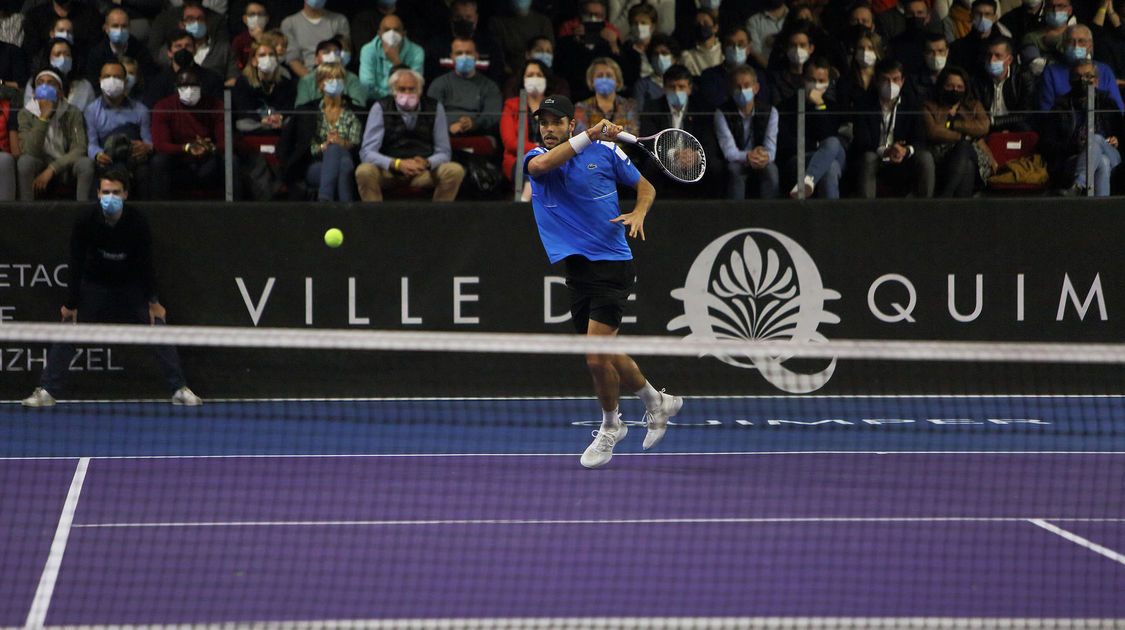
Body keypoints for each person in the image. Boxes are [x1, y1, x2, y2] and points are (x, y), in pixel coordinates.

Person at [522, 94, 682, 469]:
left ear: (570, 125)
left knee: (595, 358)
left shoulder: (608, 153)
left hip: (612, 265)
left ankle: (611, 427)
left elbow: (647, 186)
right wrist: (593, 134)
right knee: (604, 353)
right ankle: (656, 401)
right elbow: (545, 164)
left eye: (556, 122)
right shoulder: (534, 158)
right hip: (576, 271)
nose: (548, 128)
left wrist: (639, 213)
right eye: (543, 122)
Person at [21, 169, 202, 409]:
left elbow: (146, 263)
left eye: (116, 192)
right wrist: (71, 303)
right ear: (98, 193)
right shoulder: (86, 220)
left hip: (132, 287)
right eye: (106, 192)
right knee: (69, 330)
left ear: (125, 194)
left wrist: (153, 301)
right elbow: (75, 263)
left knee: (158, 329)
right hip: (95, 285)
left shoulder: (137, 221)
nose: (110, 196)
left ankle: (179, 389)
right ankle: (46, 391)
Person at [355, 66, 465, 201]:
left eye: (412, 89)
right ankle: (375, 219)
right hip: (389, 172)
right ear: (393, 91)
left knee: (454, 170)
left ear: (420, 90)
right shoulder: (380, 107)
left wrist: (427, 163)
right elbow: (367, 152)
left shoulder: (435, 107)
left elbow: (444, 151)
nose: (407, 93)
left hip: (423, 172)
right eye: (402, 89)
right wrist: (396, 163)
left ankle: (438, 218)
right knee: (364, 171)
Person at [277, 61, 361, 201]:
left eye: (338, 78)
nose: (334, 81)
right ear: (320, 84)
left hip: (349, 164)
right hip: (314, 165)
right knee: (339, 158)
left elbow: (357, 142)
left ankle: (324, 201)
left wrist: (342, 143)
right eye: (329, 78)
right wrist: (323, 147)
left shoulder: (354, 112)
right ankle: (347, 214)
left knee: (342, 159)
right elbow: (293, 145)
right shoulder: (307, 112)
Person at [853, 58, 936, 197]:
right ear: (877, 81)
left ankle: (926, 209)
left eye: (895, 79)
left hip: (903, 158)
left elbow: (920, 138)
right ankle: (866, 211)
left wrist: (905, 150)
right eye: (885, 79)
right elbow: (862, 141)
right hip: (877, 155)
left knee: (925, 158)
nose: (891, 84)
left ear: (902, 81)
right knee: (868, 158)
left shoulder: (912, 104)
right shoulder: (864, 104)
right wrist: (886, 151)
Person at [1040, 58, 1123, 195]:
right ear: (1070, 81)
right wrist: (1076, 146)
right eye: (1077, 76)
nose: (1082, 80)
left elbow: (1121, 135)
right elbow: (1048, 144)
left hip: (1110, 152)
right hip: (1074, 157)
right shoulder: (1061, 107)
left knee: (1095, 139)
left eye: (1088, 76)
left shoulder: (1109, 104)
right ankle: (1100, 212)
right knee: (1102, 162)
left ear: (1096, 81)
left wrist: (1116, 141)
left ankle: (1078, 185)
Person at [776, 56, 848, 199]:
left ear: (828, 83)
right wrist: (817, 149)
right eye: (811, 80)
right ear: (803, 79)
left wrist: (819, 106)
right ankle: (830, 218)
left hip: (832, 154)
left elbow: (830, 136)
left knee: (833, 143)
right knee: (830, 167)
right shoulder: (786, 106)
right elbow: (786, 144)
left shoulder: (833, 107)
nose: (816, 85)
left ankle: (807, 180)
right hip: (799, 159)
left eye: (821, 81)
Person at [17, 68, 94, 200]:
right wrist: (43, 118)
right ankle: (27, 212)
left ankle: (83, 211)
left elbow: (79, 148)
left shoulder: (72, 112)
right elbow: (29, 150)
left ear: (60, 92)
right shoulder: (25, 114)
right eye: (40, 83)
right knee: (25, 161)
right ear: (35, 92)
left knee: (86, 164)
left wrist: (52, 169)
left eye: (51, 83)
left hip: (65, 164)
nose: (45, 86)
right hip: (39, 163)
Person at [150, 67, 225, 198]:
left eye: (194, 85)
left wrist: (210, 147)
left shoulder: (216, 105)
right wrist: (187, 147)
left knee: (230, 160)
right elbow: (160, 145)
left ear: (201, 86)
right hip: (177, 157)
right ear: (176, 87)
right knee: (159, 161)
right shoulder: (164, 106)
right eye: (184, 86)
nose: (189, 90)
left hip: (208, 155)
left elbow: (226, 141)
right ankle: (160, 210)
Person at [84, 60, 154, 199]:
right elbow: (91, 143)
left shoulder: (141, 110)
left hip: (132, 157)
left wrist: (146, 147)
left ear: (125, 81)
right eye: (107, 76)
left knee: (144, 172)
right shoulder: (91, 110)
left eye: (117, 77)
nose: (112, 80)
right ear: (100, 80)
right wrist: (98, 155)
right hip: (107, 157)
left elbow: (148, 141)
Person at [923, 65, 993, 196]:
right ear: (942, 85)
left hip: (975, 152)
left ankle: (944, 198)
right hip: (942, 154)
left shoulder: (973, 105)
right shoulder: (930, 106)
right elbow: (933, 131)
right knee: (967, 164)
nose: (955, 90)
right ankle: (958, 209)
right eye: (950, 86)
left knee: (964, 148)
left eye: (959, 87)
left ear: (965, 88)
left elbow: (983, 126)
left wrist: (952, 124)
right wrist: (962, 137)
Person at [714, 64, 779, 199]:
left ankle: (770, 216)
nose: (742, 90)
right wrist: (748, 156)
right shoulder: (722, 113)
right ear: (731, 90)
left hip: (761, 161)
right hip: (737, 161)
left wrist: (763, 156)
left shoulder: (770, 111)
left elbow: (771, 151)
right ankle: (736, 217)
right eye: (738, 86)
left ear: (756, 88)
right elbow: (729, 152)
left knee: (771, 171)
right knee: (734, 170)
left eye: (747, 85)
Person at [426, 37, 503, 138]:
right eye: (459, 53)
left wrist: (474, 123)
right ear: (452, 57)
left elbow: (493, 115)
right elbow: (430, 113)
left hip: (479, 135)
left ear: (476, 56)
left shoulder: (489, 86)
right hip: (444, 135)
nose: (464, 57)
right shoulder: (439, 83)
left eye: (468, 53)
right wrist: (447, 126)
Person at [1038, 24, 1124, 111]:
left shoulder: (1105, 70)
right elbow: (1046, 111)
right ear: (1064, 45)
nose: (1076, 46)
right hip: (1065, 121)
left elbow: (1117, 110)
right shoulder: (1051, 72)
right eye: (1071, 41)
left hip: (1099, 121)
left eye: (1081, 41)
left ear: (1090, 46)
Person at [500, 58, 548, 199]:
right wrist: (538, 150)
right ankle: (523, 207)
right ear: (523, 79)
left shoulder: (553, 105)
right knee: (532, 171)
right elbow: (509, 142)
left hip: (551, 157)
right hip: (518, 159)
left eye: (539, 75)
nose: (535, 79)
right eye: (530, 75)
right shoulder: (511, 105)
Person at [84, 8, 157, 90]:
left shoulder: (141, 51)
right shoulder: (96, 54)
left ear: (130, 27)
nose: (120, 30)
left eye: (124, 26)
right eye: (115, 26)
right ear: (106, 28)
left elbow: (149, 79)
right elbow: (94, 83)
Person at [358, 13, 423, 101]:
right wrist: (392, 97)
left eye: (396, 30)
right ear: (379, 33)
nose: (391, 34)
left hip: (406, 101)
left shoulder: (416, 52)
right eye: (386, 30)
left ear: (404, 33)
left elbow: (416, 86)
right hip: (374, 102)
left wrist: (396, 61)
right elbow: (367, 88)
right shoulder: (368, 50)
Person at [280, 0, 350, 78]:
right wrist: (312, 82)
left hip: (336, 75)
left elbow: (344, 53)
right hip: (307, 77)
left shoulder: (339, 21)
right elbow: (292, 59)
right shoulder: (289, 23)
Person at [573, 56, 639, 135]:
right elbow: (580, 136)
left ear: (617, 80)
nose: (604, 79)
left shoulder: (629, 106)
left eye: (609, 75)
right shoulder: (581, 107)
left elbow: (633, 134)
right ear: (592, 81)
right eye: (600, 76)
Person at [488, 0, 554, 77]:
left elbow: (549, 50)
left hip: (542, 74)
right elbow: (498, 56)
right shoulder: (497, 22)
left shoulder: (543, 22)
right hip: (510, 75)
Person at [294, 38, 366, 106]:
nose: (332, 55)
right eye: (326, 52)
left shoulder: (352, 79)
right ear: (316, 59)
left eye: (336, 52)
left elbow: (358, 106)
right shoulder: (306, 81)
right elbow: (301, 109)